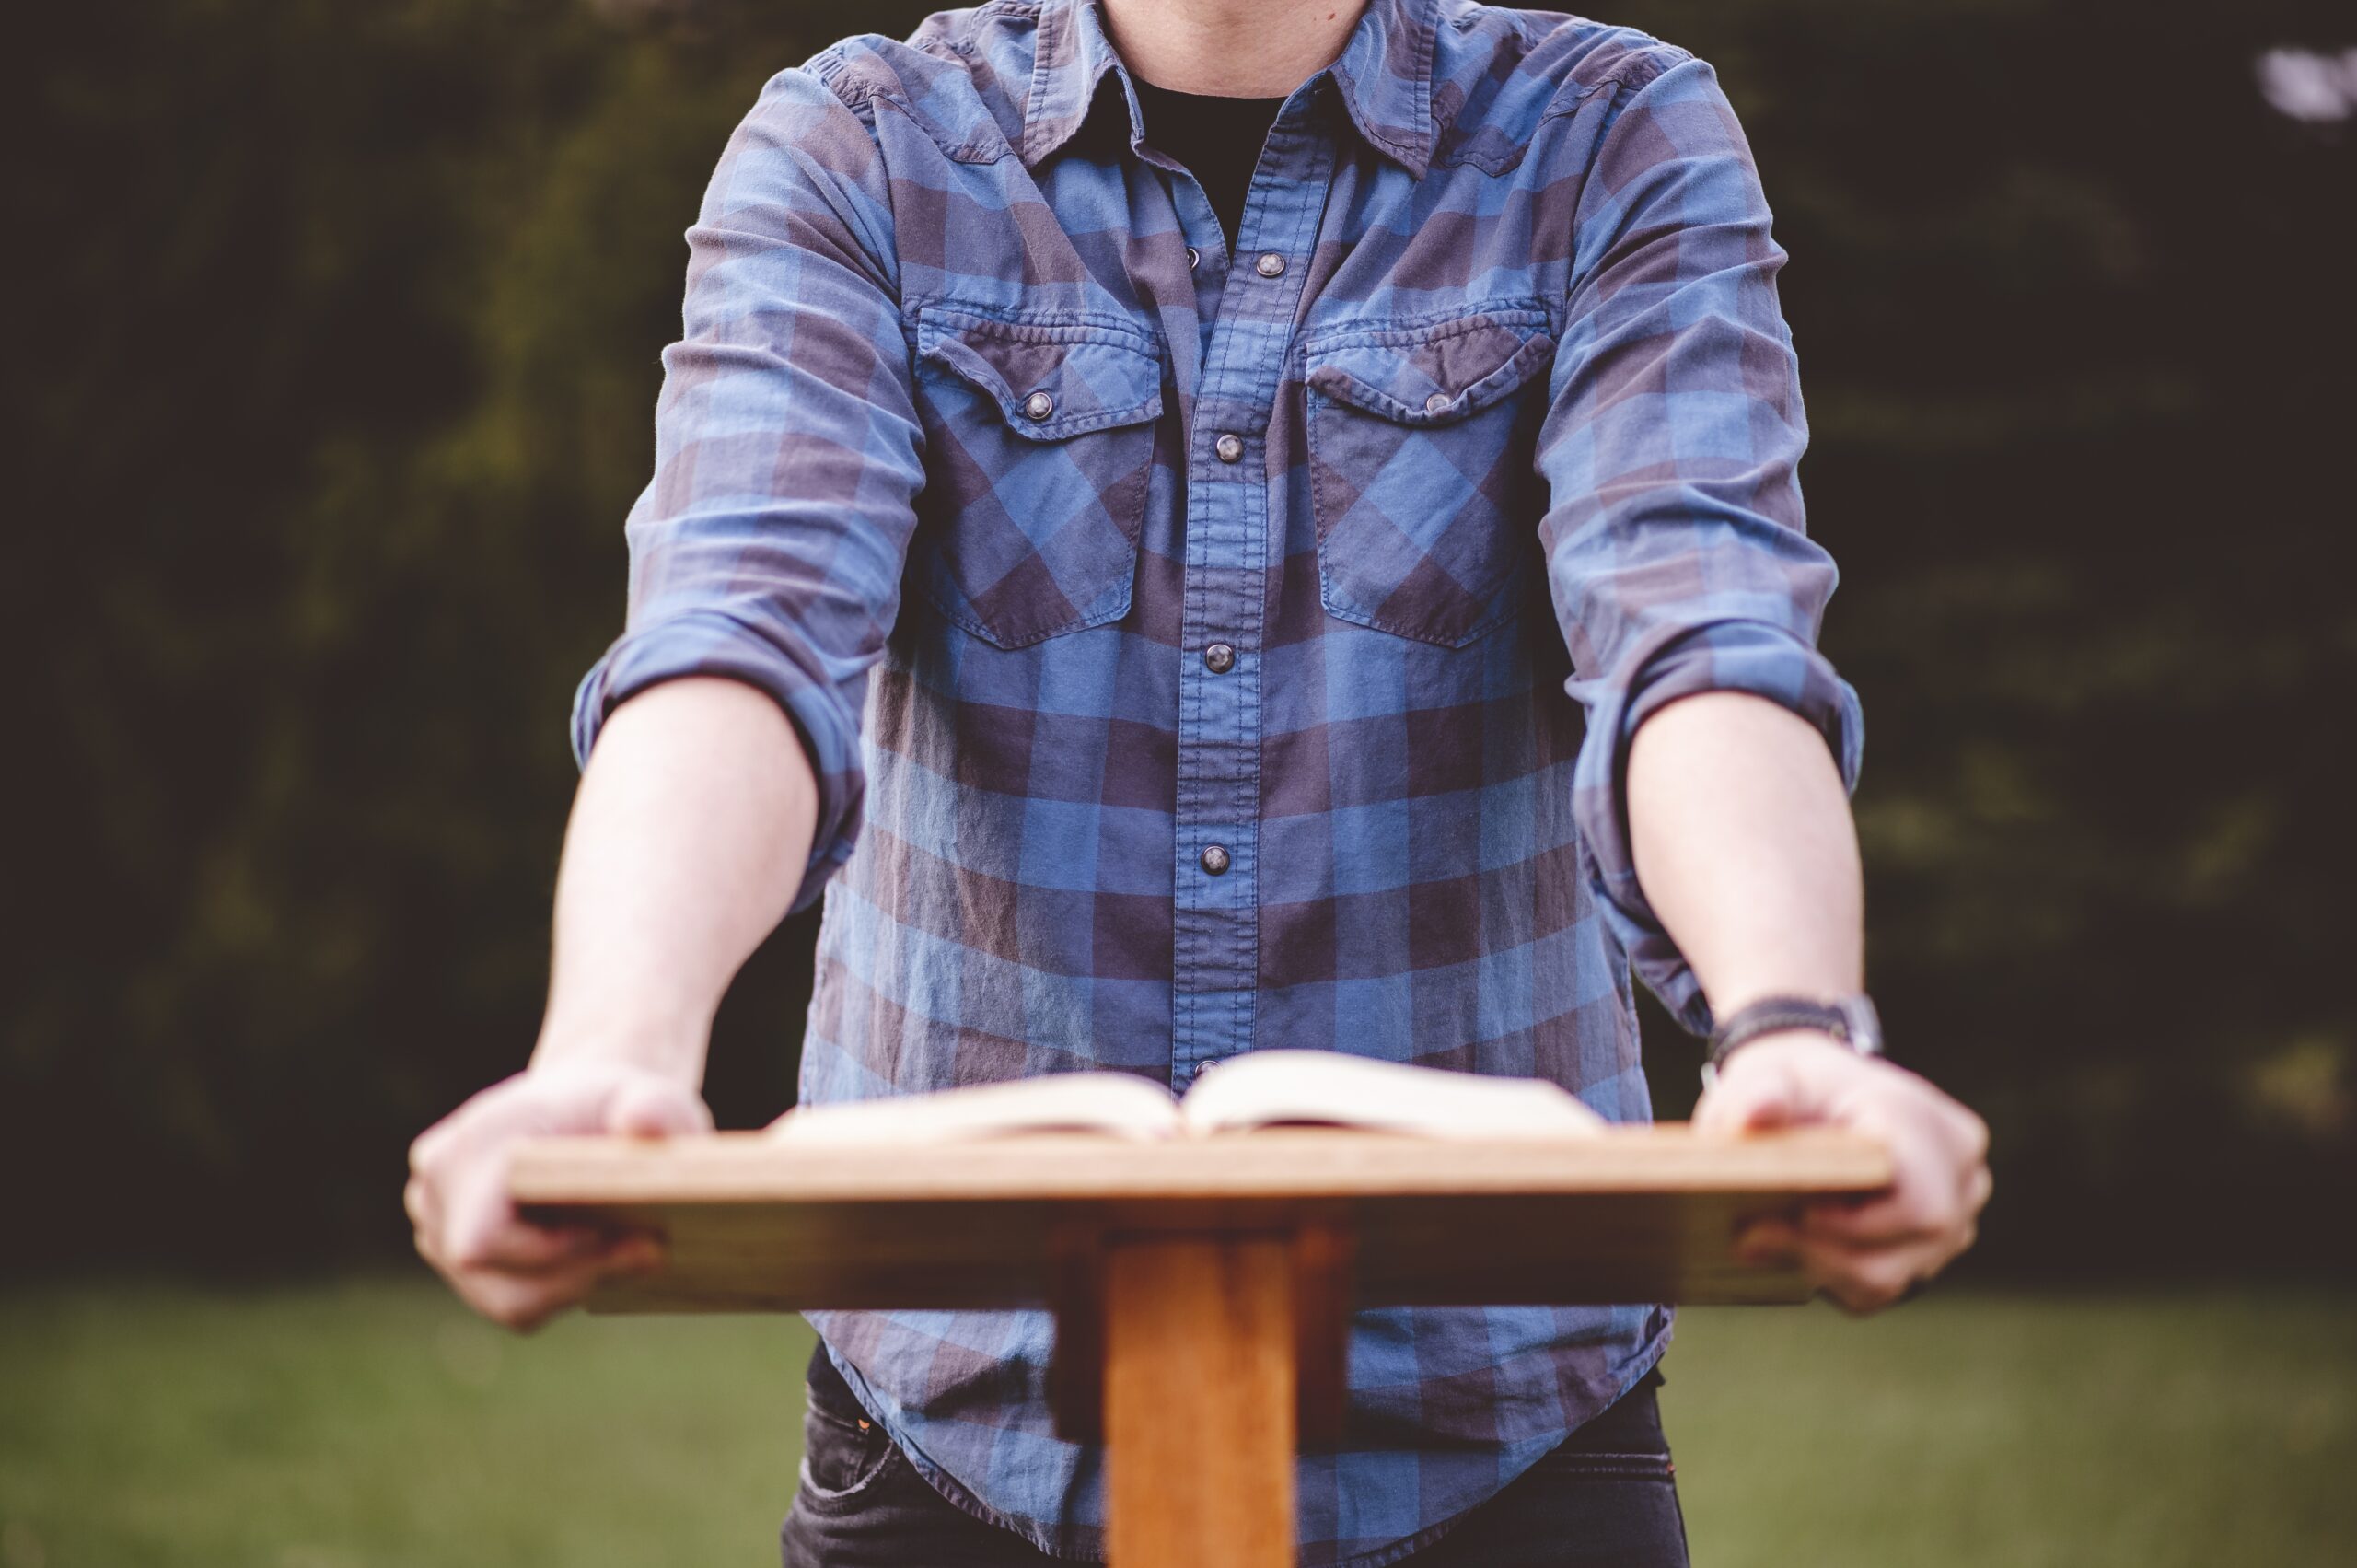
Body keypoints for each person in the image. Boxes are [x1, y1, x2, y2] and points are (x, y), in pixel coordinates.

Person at [405, 1, 1991, 1562]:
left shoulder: (1606, 134)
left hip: (1506, 1428)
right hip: (959, 1439)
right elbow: (738, 638)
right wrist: (610, 1062)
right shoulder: (862, 150)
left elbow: (1697, 627)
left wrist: (1790, 1026)